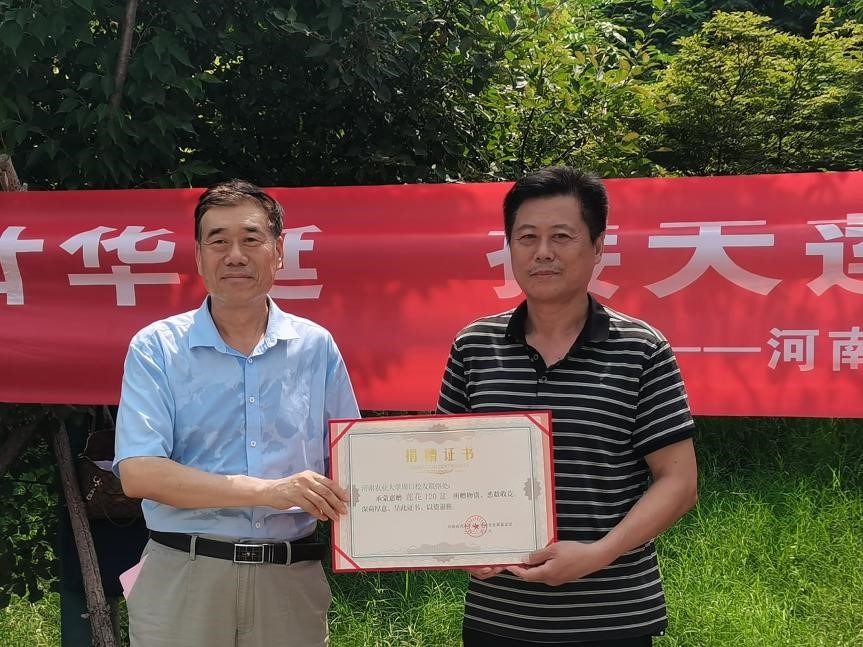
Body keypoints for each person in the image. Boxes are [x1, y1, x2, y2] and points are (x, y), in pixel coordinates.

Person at [437, 166, 698, 647]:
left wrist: (599, 553)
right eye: (527, 237)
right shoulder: (474, 346)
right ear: (509, 246)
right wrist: (459, 543)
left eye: (561, 236)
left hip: (612, 616)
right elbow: (445, 470)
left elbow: (678, 483)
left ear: (597, 247)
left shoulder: (641, 348)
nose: (542, 252)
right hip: (500, 616)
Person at [113, 179, 359, 647]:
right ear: (198, 256)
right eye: (218, 241)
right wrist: (271, 491)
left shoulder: (315, 347)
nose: (235, 256)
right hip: (184, 579)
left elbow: (354, 463)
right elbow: (140, 473)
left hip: (288, 582)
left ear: (278, 252)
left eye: (251, 239)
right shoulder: (157, 347)